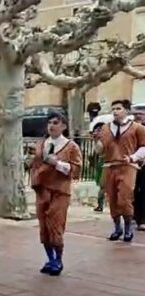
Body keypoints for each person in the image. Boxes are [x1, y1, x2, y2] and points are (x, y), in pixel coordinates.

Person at [29, 112, 82, 276]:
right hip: (42, 190)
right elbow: (34, 164)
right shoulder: (41, 144)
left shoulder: (71, 146)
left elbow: (76, 170)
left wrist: (57, 164)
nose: (52, 126)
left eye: (56, 123)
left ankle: (58, 260)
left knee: (56, 224)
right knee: (44, 226)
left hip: (60, 191)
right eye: (50, 123)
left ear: (64, 126)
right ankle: (50, 259)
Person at [98, 100, 145, 242]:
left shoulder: (137, 128)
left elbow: (143, 147)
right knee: (112, 199)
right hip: (110, 166)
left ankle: (128, 229)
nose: (115, 111)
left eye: (118, 108)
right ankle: (117, 227)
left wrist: (133, 157)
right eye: (113, 109)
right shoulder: (106, 128)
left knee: (125, 198)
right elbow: (100, 150)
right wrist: (97, 142)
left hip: (127, 166)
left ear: (126, 110)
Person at [133, 103, 145, 231]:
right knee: (134, 190)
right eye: (135, 114)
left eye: (140, 114)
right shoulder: (132, 129)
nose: (138, 116)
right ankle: (136, 216)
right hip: (133, 163)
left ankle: (142, 219)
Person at [91, 123, 106, 212]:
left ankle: (100, 205)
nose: (96, 132)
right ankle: (100, 204)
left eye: (98, 130)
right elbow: (97, 151)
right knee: (101, 186)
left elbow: (100, 150)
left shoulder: (107, 138)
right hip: (102, 162)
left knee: (103, 186)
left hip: (107, 162)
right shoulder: (98, 140)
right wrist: (96, 140)